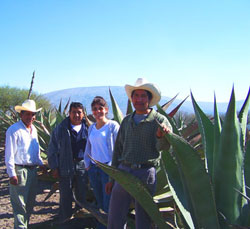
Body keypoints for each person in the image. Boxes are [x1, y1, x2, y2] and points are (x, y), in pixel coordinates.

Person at [105, 78, 172, 229]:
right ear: (132, 98)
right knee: (115, 216)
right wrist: (112, 177)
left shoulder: (159, 120)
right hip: (124, 171)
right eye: (136, 96)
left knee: (144, 218)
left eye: (143, 96)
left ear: (149, 99)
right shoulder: (127, 121)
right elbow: (118, 150)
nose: (139, 99)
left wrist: (161, 136)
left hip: (145, 173)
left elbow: (164, 147)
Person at [5, 99, 44, 229]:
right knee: (19, 205)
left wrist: (41, 164)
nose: (30, 117)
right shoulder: (14, 130)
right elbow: (9, 154)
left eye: (32, 114)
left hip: (33, 171)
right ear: (21, 115)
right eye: (27, 114)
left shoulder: (34, 130)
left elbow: (36, 150)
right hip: (20, 171)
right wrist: (12, 174)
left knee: (30, 203)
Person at [48, 102, 88, 223]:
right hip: (65, 165)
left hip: (82, 165)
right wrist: (54, 167)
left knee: (81, 195)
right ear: (69, 113)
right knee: (65, 195)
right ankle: (65, 221)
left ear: (83, 114)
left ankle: (80, 220)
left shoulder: (88, 128)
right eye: (74, 112)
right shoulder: (60, 128)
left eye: (79, 112)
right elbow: (52, 148)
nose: (76, 115)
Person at [84, 96, 120, 229]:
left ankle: (107, 226)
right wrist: (87, 164)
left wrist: (114, 171)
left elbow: (118, 149)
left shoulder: (113, 126)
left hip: (107, 170)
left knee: (108, 202)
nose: (98, 111)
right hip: (94, 169)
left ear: (106, 110)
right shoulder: (92, 128)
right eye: (94, 109)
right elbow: (89, 147)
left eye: (100, 108)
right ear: (92, 112)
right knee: (99, 200)